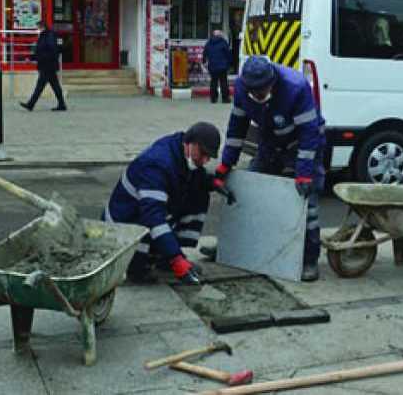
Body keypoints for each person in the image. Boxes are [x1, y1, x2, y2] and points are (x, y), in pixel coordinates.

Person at [206, 56, 326, 282]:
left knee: (306, 203)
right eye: (255, 92)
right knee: (248, 191)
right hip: (269, 142)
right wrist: (226, 164)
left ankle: (309, 259)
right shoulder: (242, 88)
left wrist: (303, 174)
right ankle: (230, 248)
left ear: (272, 82)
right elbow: (236, 128)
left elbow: (309, 135)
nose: (258, 96)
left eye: (262, 91)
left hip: (301, 144)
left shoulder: (296, 87)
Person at [102, 122, 223, 285]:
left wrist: (211, 183)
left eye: (209, 157)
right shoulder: (157, 165)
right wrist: (176, 259)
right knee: (139, 271)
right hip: (122, 227)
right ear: (189, 143)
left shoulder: (179, 151)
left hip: (139, 215)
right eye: (202, 153)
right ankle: (141, 264)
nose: (205, 160)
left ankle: (164, 258)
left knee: (199, 193)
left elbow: (186, 179)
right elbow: (153, 217)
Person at [20, 20, 66, 111]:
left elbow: (49, 50)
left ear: (42, 27)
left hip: (47, 65)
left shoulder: (48, 36)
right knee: (54, 85)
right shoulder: (44, 36)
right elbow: (39, 50)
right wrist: (31, 58)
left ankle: (31, 104)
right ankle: (62, 104)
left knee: (40, 86)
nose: (37, 30)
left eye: (38, 28)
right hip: (47, 65)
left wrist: (38, 58)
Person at [203, 30, 232, 104]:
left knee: (213, 82)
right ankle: (225, 99)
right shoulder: (223, 43)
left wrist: (204, 61)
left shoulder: (209, 43)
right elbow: (228, 54)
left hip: (212, 66)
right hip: (222, 67)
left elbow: (204, 53)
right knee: (224, 82)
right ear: (220, 35)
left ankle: (213, 98)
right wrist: (229, 63)